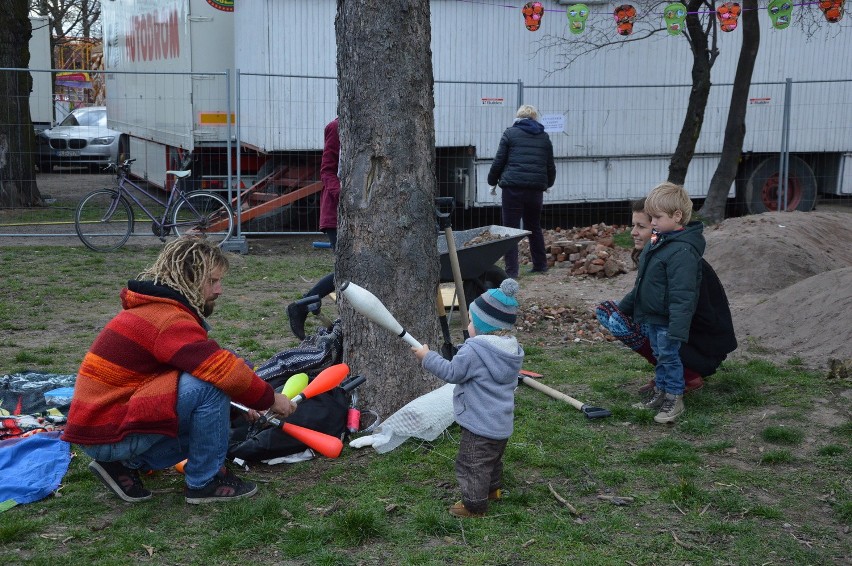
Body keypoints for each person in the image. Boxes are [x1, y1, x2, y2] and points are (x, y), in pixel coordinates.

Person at [62, 237, 297, 504]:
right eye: (212, 281)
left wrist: (241, 402)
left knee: (219, 380)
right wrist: (270, 399)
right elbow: (220, 371)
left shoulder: (157, 310)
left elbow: (210, 364)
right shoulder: (168, 319)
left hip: (100, 429)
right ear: (190, 279)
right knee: (214, 384)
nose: (219, 290)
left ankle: (123, 464)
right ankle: (204, 482)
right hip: (105, 433)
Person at [596, 198, 737, 394]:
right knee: (608, 312)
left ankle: (686, 376)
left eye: (641, 226)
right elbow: (641, 295)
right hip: (684, 338)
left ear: (657, 227)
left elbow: (681, 307)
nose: (633, 232)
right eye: (633, 225)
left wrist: (625, 320)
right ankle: (668, 373)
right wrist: (620, 314)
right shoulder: (659, 254)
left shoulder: (680, 259)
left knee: (631, 321)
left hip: (701, 347)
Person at [412, 279, 524, 518]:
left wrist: (427, 356)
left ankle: (474, 505)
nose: (469, 324)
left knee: (471, 464)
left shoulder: (474, 351)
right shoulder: (510, 350)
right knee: (492, 461)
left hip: (479, 423)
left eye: (472, 321)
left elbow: (451, 372)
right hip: (501, 424)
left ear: (484, 325)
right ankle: (492, 491)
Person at [616, 183, 705, 424]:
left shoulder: (682, 251)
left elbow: (683, 294)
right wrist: (624, 308)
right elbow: (644, 283)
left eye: (657, 217)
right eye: (651, 216)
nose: (652, 222)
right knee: (659, 355)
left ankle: (674, 398)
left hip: (667, 320)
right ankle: (661, 393)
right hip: (653, 316)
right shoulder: (659, 242)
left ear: (677, 216)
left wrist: (677, 328)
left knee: (669, 357)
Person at [487, 104, 556, 277]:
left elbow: (499, 161)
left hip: (512, 189)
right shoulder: (544, 137)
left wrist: (492, 181)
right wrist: (548, 184)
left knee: (510, 229)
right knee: (534, 226)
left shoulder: (510, 133)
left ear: (518, 118)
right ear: (534, 119)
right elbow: (550, 166)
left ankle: (512, 272)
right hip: (535, 191)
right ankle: (540, 265)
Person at [287, 117, 340, 339]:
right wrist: (345, 197)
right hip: (338, 214)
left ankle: (304, 304)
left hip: (362, 215)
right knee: (349, 272)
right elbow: (327, 170)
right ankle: (303, 305)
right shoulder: (336, 127)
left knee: (353, 273)